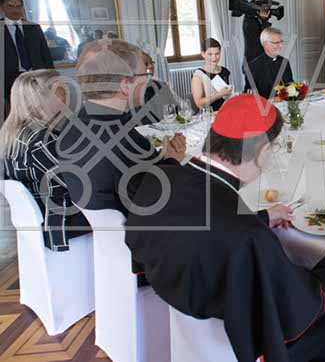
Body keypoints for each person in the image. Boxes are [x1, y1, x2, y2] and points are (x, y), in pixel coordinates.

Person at [126, 94, 325, 362]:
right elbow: (303, 304)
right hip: (239, 343)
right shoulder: (249, 236)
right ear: (263, 152)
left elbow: (203, 226)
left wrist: (261, 218)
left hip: (186, 324)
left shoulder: (159, 180)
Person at [56, 39, 187, 217]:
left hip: (102, 225)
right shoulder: (125, 141)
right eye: (145, 75)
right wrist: (173, 161)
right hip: (136, 227)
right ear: (126, 85)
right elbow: (159, 199)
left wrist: (163, 159)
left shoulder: (72, 123)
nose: (148, 81)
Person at [0, 70, 91, 251]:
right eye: (62, 93)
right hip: (62, 224)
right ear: (43, 98)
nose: (67, 99)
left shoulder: (11, 135)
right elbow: (76, 182)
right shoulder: (42, 141)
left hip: (39, 226)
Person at [2, 0, 54, 115]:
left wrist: (52, 76)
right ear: (2, 8)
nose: (15, 10)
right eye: (10, 6)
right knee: (16, 114)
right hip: (9, 80)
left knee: (42, 112)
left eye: (18, 6)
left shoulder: (34, 27)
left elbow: (45, 54)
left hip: (36, 76)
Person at [244, 27, 293, 100]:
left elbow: (290, 85)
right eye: (277, 43)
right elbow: (249, 94)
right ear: (265, 44)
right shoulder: (253, 66)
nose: (281, 45)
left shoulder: (285, 62)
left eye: (281, 42)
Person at [191, 38, 232, 112]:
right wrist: (219, 95)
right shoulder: (198, 75)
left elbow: (229, 97)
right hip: (208, 114)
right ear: (203, 54)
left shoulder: (226, 72)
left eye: (217, 54)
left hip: (226, 112)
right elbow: (199, 104)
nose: (214, 58)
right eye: (210, 54)